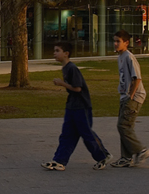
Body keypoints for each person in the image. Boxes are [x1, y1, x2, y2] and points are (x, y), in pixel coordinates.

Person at [41, 41, 111, 172]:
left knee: (86, 133)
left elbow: (78, 88)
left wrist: (62, 83)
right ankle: (59, 161)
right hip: (71, 106)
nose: (54, 53)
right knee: (67, 135)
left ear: (66, 53)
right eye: (54, 51)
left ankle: (103, 156)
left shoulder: (72, 68)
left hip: (81, 106)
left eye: (57, 51)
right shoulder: (65, 68)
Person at [111, 30, 149, 167]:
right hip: (124, 96)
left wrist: (131, 96)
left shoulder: (129, 57)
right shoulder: (120, 57)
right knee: (124, 126)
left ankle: (140, 150)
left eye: (118, 41)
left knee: (123, 125)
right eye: (114, 41)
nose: (115, 44)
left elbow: (137, 78)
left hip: (133, 97)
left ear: (126, 43)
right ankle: (126, 158)